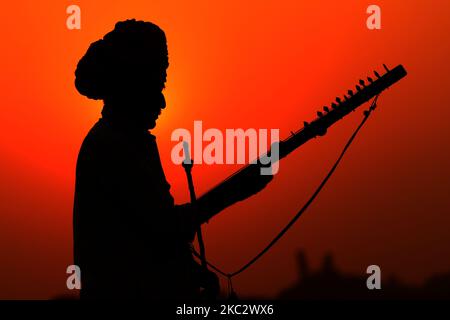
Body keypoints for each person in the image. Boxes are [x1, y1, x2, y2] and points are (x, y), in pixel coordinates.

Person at [73, 19, 272, 299]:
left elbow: (149, 236)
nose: (163, 102)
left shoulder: (129, 141)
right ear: (132, 87)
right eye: (155, 86)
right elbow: (165, 228)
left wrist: (188, 272)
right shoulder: (112, 145)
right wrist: (235, 191)